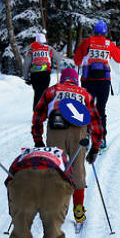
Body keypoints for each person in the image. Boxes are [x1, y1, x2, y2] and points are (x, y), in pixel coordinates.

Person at [31, 67, 103, 224]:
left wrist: (38, 139)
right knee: (77, 169)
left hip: (56, 128)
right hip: (79, 131)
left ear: (62, 79)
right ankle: (78, 210)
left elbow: (38, 115)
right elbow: (96, 120)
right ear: (76, 80)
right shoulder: (84, 93)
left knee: (55, 168)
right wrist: (95, 147)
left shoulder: (52, 91)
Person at [74, 20, 120, 149]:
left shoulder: (86, 42)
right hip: (104, 82)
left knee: (86, 109)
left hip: (87, 81)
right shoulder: (109, 44)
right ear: (105, 32)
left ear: (94, 31)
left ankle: (84, 140)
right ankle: (101, 140)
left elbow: (77, 60)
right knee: (101, 110)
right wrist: (119, 47)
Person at [23, 33, 63, 110]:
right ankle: (42, 111)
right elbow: (59, 59)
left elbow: (26, 64)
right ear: (44, 40)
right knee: (44, 92)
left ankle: (36, 110)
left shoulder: (32, 49)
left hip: (34, 75)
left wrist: (25, 77)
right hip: (45, 73)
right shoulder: (49, 48)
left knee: (37, 92)